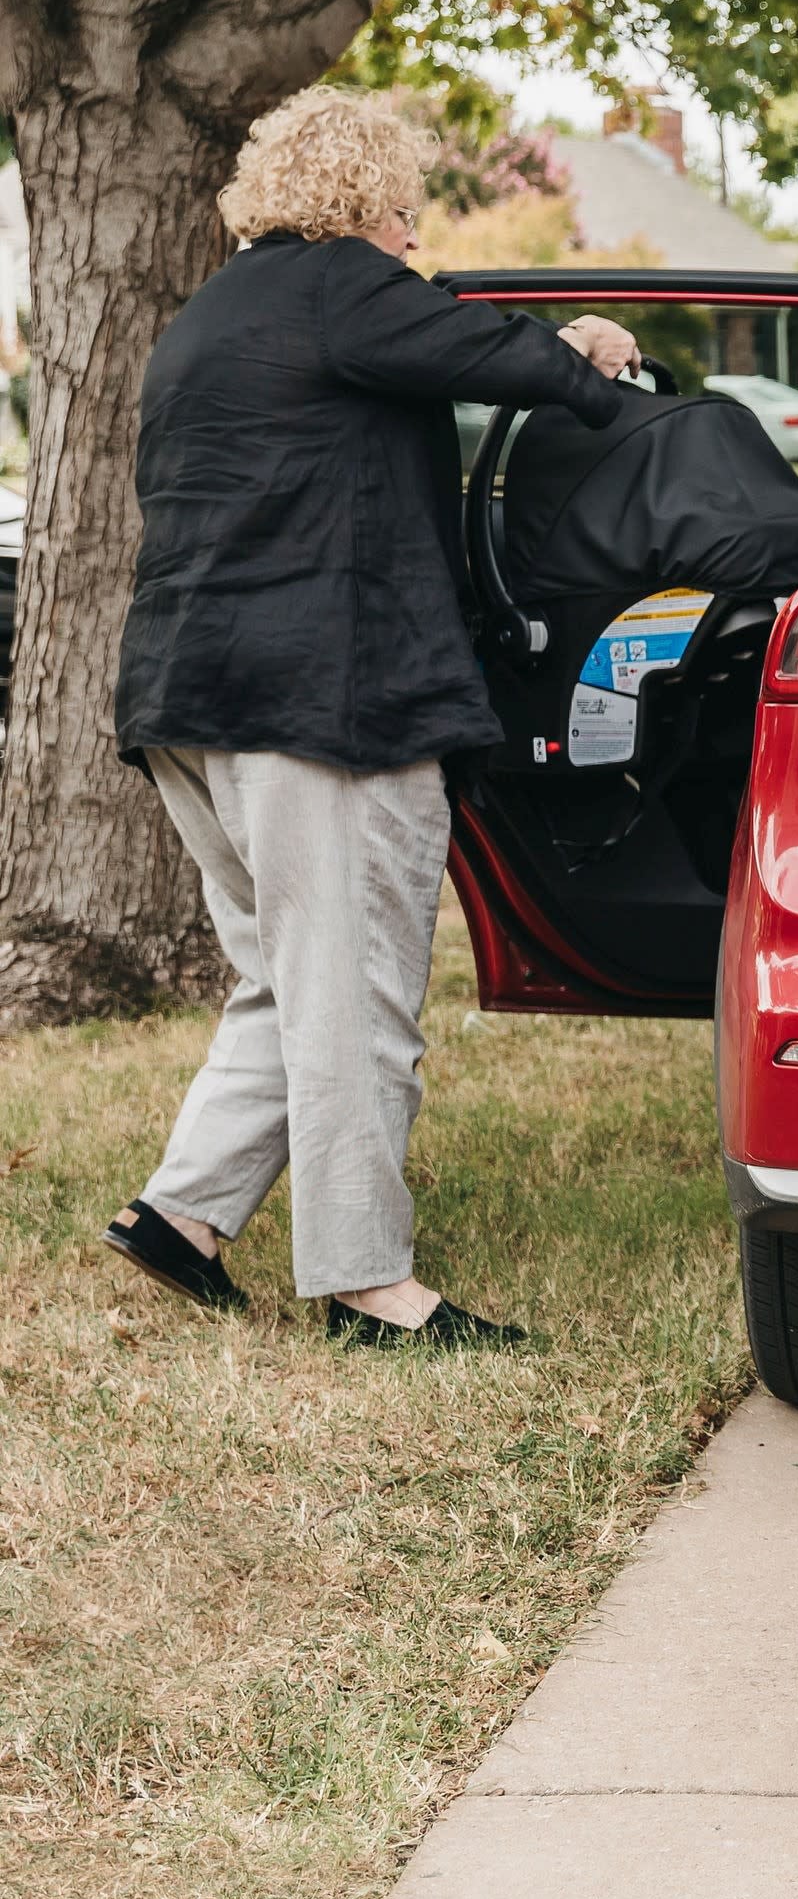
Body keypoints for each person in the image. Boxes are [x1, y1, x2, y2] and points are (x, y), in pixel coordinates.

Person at [104, 86, 639, 1348]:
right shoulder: (348, 282)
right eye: (408, 208)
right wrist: (593, 349)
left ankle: (181, 1218)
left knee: (290, 981)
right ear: (371, 200)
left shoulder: (214, 310)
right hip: (321, 701)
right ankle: (369, 1286)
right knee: (357, 994)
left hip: (190, 695)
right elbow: (511, 360)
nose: (416, 233)